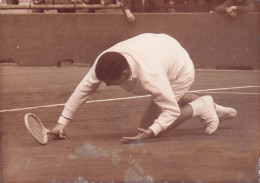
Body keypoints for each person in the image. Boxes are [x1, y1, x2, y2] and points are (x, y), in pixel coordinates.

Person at [50, 33, 237, 143]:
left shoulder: (151, 75)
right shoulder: (104, 60)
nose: (105, 84)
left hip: (179, 71)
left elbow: (170, 112)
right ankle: (211, 106)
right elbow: (83, 90)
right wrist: (62, 122)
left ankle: (200, 106)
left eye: (109, 81)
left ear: (124, 74)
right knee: (162, 104)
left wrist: (151, 131)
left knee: (148, 127)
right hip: (161, 47)